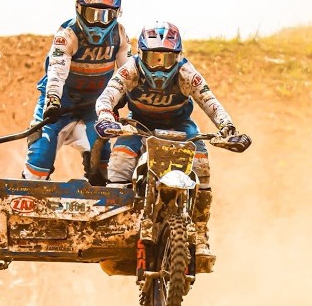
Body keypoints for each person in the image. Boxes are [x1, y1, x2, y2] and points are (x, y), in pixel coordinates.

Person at [92, 21, 251, 261]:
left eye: (166, 59)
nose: (159, 66)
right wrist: (105, 118)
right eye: (154, 58)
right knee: (120, 162)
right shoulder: (130, 69)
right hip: (140, 125)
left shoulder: (187, 73)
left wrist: (227, 128)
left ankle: (199, 231)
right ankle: (116, 224)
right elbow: (107, 96)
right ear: (141, 54)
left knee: (202, 168)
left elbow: (210, 102)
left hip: (181, 127)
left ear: (177, 57)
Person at [22, 0, 131, 184]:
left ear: (117, 13)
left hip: (94, 108)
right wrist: (52, 100)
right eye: (92, 14)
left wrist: (128, 94)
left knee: (104, 168)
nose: (99, 24)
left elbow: (128, 71)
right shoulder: (67, 34)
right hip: (59, 107)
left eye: (106, 16)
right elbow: (56, 72)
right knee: (39, 160)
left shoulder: (119, 34)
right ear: (79, 9)